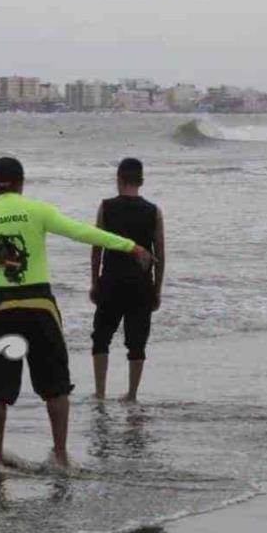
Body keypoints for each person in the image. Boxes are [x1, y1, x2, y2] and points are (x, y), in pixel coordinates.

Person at [0, 157, 151, 467]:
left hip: (1, 312)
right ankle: (59, 455)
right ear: (22, 182)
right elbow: (82, 233)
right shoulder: (37, 210)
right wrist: (130, 246)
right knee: (56, 388)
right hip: (40, 309)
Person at [89, 158, 165, 402]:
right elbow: (160, 254)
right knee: (137, 342)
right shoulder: (153, 211)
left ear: (119, 178)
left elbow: (97, 248)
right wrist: (157, 288)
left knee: (101, 337)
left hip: (111, 280)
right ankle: (131, 394)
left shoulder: (106, 207)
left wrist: (94, 281)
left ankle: (100, 392)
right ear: (141, 180)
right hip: (140, 285)